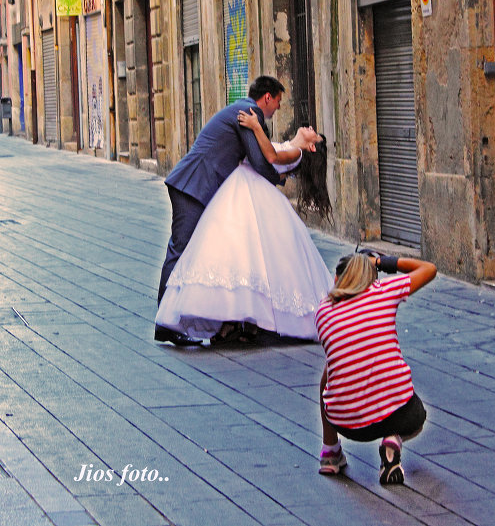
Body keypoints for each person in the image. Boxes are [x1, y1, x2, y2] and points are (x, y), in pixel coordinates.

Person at [155, 111, 334, 344]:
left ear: (311, 147)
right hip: (241, 189)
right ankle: (237, 322)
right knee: (237, 254)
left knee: (248, 255)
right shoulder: (290, 145)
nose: (310, 128)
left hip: (253, 194)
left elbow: (269, 156)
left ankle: (242, 322)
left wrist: (254, 125)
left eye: (315, 135)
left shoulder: (296, 153)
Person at [156, 75, 285, 345]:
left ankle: (180, 319)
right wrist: (279, 178)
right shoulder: (250, 114)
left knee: (190, 250)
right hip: (193, 185)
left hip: (197, 184)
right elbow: (258, 160)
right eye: (279, 102)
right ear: (268, 98)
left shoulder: (241, 109)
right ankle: (165, 323)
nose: (278, 109)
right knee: (179, 249)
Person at [315, 251, 436, 485]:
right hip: (401, 416)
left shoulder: (323, 311)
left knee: (330, 369)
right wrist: (381, 261)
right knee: (417, 416)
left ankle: (330, 451)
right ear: (371, 279)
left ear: (338, 279)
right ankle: (392, 439)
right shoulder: (383, 292)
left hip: (346, 424)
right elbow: (429, 268)